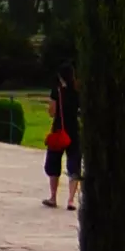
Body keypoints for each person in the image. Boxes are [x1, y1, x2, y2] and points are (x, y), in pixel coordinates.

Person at [44, 65, 82, 210]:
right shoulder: (78, 91)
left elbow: (52, 112)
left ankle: (53, 197)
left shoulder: (57, 91)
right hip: (74, 131)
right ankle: (71, 200)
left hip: (59, 130)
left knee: (53, 163)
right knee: (74, 164)